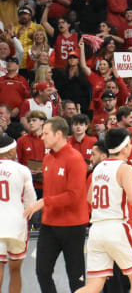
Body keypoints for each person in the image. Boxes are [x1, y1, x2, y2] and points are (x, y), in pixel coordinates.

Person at [74, 128, 132, 293]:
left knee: (93, 286)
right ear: (125, 148)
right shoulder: (125, 168)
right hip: (116, 227)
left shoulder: (99, 168)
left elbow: (89, 199)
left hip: (96, 230)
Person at [23, 117, 88, 293]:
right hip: (49, 225)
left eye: (45, 133)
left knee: (76, 277)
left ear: (58, 134)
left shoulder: (75, 159)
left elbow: (74, 196)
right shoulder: (47, 159)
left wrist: (44, 202)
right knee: (42, 272)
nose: (42, 137)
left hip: (73, 226)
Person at [0, 134, 37, 293]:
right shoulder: (22, 170)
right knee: (15, 270)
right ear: (9, 152)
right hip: (17, 224)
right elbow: (31, 202)